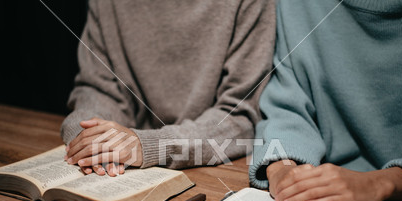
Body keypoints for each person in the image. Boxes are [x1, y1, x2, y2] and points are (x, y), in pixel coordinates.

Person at [62, 0, 276, 176]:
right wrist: (89, 138)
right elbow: (98, 88)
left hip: (213, 168)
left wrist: (149, 145)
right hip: (125, 168)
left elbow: (241, 116)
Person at [250, 0, 402, 201]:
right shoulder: (296, 6)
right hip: (319, 199)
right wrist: (282, 167)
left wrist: (382, 184)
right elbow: (287, 101)